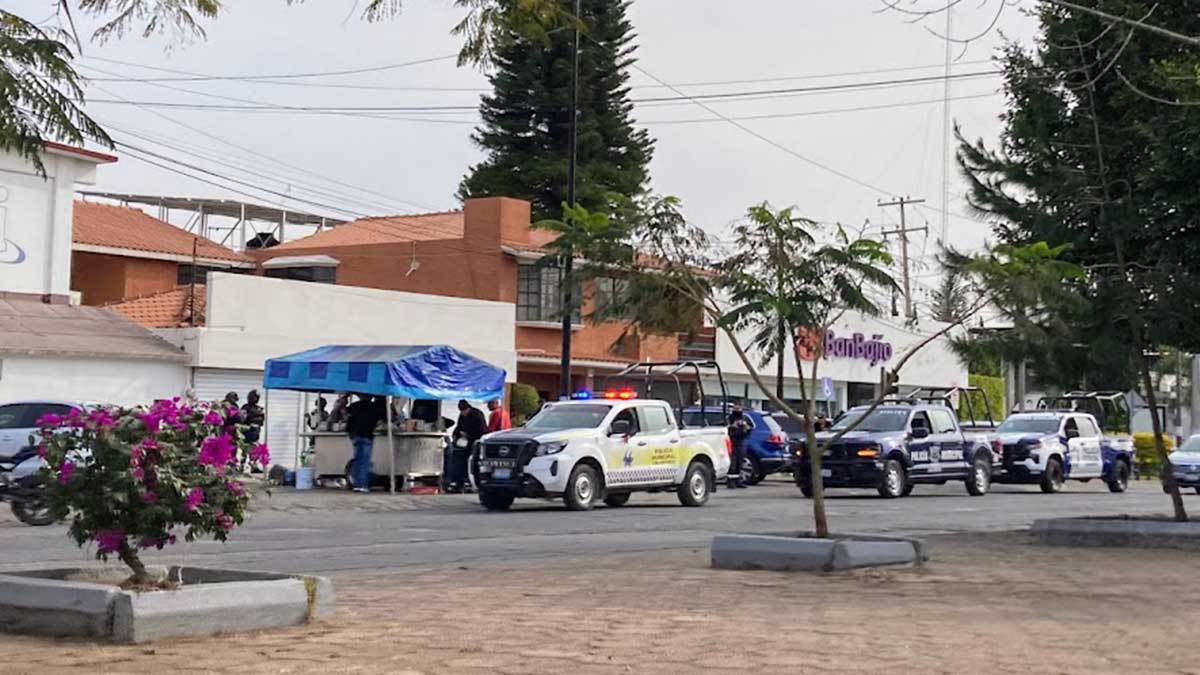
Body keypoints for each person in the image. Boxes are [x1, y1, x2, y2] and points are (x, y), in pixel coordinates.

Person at [346, 394, 382, 494]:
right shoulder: (374, 407)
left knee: (358, 460)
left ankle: (357, 484)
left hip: (356, 436)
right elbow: (381, 418)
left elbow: (349, 423)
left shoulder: (354, 406)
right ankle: (361, 485)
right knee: (364, 461)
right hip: (367, 435)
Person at [449, 400, 487, 493]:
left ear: (468, 408)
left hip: (475, 442)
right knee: (459, 460)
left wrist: (468, 434)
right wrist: (456, 434)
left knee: (472, 461)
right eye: (461, 412)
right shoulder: (462, 416)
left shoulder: (477, 414)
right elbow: (458, 427)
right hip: (465, 444)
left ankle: (470, 481)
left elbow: (481, 430)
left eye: (464, 411)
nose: (463, 413)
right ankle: (459, 481)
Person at [727, 406, 753, 489]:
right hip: (732, 442)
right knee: (732, 463)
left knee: (740, 462)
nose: (738, 410)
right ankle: (730, 482)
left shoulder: (744, 418)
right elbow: (726, 427)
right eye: (736, 409)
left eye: (739, 409)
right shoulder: (729, 418)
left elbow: (750, 427)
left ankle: (738, 481)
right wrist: (732, 426)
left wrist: (746, 427)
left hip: (741, 441)